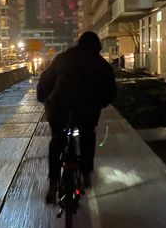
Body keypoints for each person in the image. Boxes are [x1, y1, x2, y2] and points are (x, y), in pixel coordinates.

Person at [37, 31, 116, 203]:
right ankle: (86, 173)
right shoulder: (101, 63)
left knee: (57, 140)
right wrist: (100, 103)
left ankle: (53, 183)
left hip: (59, 108)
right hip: (87, 110)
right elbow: (110, 92)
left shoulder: (62, 58)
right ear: (97, 47)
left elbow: (45, 80)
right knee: (87, 135)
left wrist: (44, 99)